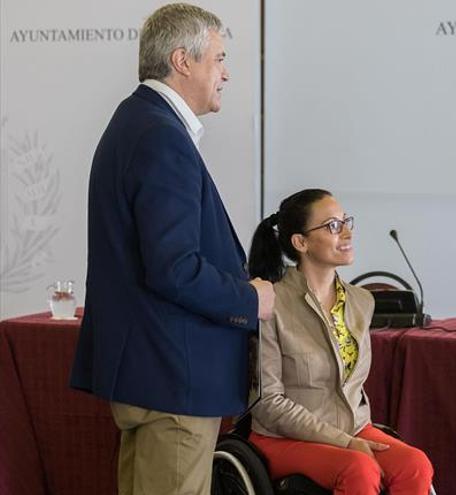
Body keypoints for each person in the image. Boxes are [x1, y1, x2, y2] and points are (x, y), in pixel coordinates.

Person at [69, 4, 275, 494]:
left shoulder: (140, 122)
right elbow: (174, 268)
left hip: (154, 374)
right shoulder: (161, 137)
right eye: (219, 59)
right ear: (183, 61)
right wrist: (252, 300)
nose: (226, 73)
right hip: (174, 380)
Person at [246, 189, 434, 494]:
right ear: (301, 242)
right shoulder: (272, 303)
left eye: (346, 221)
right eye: (333, 226)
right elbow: (268, 404)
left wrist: (351, 437)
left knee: (416, 464)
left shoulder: (362, 301)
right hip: (283, 437)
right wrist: (345, 443)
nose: (347, 232)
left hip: (352, 428)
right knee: (358, 468)